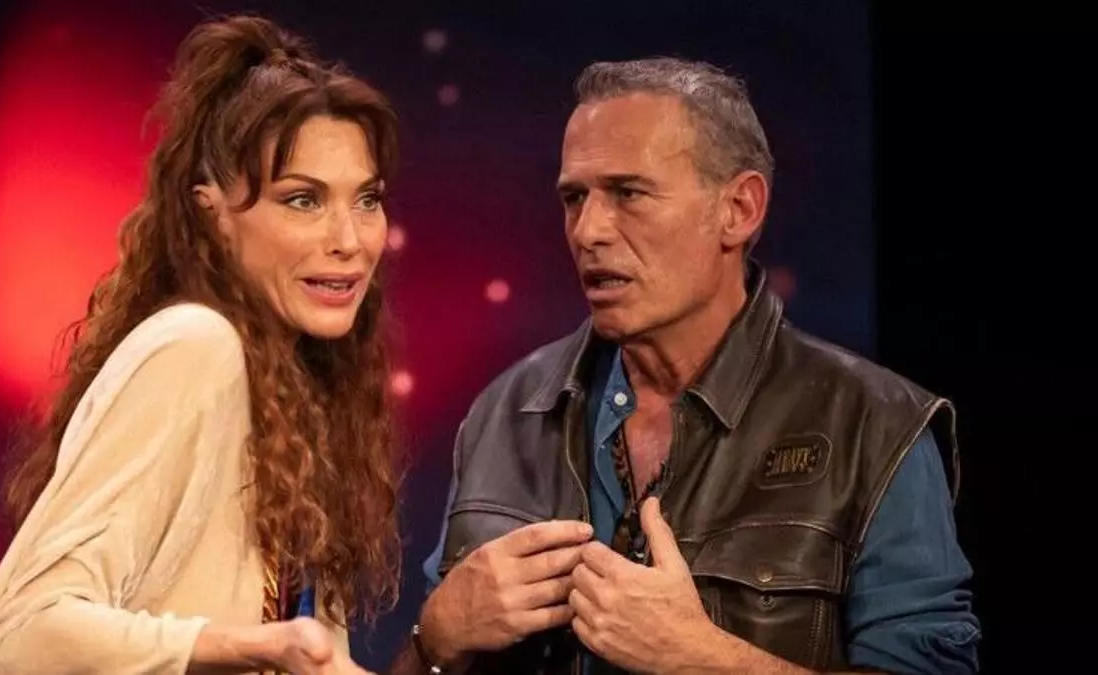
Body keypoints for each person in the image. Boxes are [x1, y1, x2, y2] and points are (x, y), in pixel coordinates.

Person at [389, 58, 980, 674]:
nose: (588, 231)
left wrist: (702, 659)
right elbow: (427, 650)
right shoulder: (506, 413)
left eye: (628, 194)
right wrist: (435, 638)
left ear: (739, 209)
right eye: (574, 198)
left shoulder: (877, 427)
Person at [0, 15, 402, 675]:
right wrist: (248, 647)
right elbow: (23, 635)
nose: (350, 240)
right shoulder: (196, 348)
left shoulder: (303, 389)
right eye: (303, 200)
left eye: (366, 199)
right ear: (213, 214)